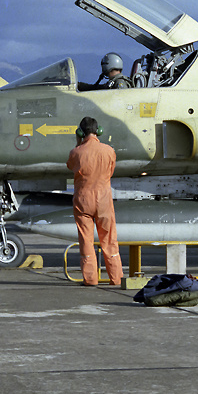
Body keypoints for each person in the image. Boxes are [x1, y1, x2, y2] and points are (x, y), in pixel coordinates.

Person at [66, 117, 122, 286]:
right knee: (109, 239)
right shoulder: (109, 151)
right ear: (99, 131)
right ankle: (116, 278)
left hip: (83, 201)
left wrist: (78, 143)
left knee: (86, 240)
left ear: (80, 132)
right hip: (104, 200)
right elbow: (110, 172)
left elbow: (70, 166)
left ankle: (90, 279)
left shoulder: (76, 152)